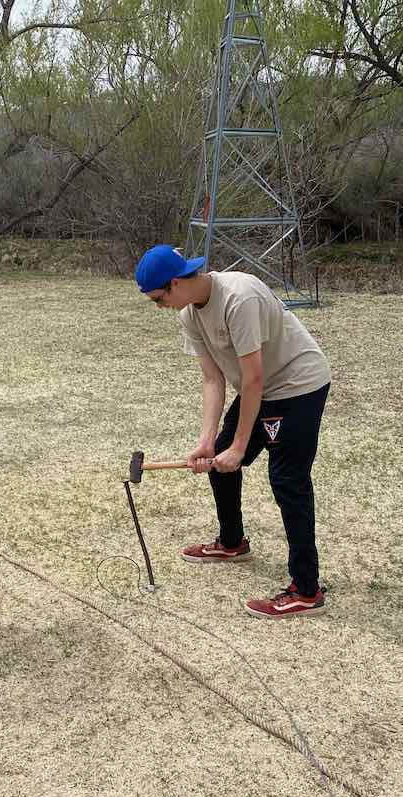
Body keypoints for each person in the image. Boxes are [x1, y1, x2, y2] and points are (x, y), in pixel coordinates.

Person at [135, 244, 332, 619]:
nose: (159, 306)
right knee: (217, 458)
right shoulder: (189, 315)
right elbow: (213, 379)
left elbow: (254, 377)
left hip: (297, 385)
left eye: (158, 298)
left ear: (175, 283)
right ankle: (231, 542)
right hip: (262, 388)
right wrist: (208, 441)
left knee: (287, 481)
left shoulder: (239, 298)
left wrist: (241, 446)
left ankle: (306, 590)